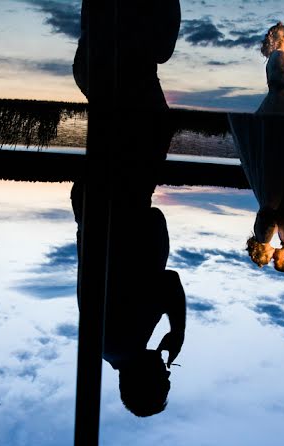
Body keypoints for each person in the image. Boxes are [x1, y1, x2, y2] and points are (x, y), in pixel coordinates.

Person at [71, 2, 186, 417]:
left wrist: (177, 330)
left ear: (149, 381)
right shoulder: (112, 346)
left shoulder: (125, 339)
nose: (168, 374)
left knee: (153, 125)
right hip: (103, 199)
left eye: (164, 382)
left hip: (120, 195)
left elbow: (168, 283)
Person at [231, 22, 284, 272]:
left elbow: (280, 82)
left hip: (281, 103)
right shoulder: (279, 56)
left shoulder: (266, 235)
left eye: (269, 257)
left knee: (280, 140)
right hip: (282, 102)